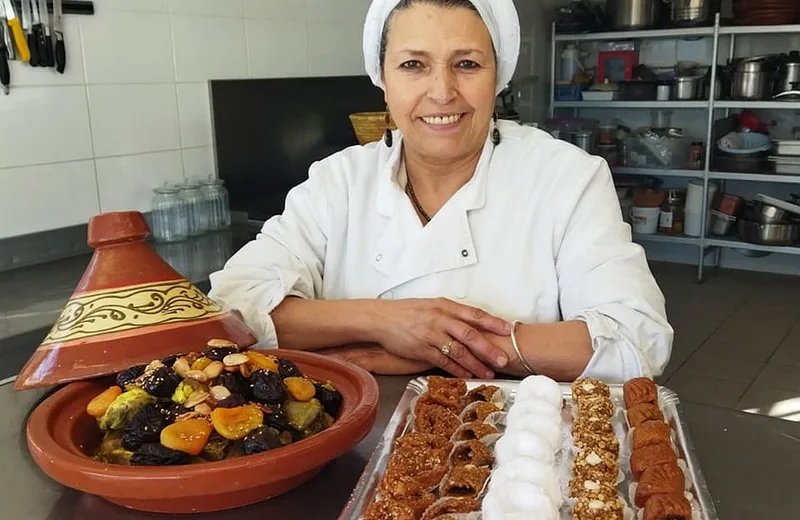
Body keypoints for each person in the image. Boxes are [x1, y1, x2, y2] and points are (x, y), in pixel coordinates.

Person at [208, 0, 673, 383]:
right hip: (355, 443)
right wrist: (386, 322)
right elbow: (229, 311)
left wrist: (437, 349)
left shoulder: (564, 178)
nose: (442, 91)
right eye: (413, 65)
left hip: (517, 447)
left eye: (467, 64)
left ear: (498, 78)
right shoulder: (340, 182)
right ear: (383, 81)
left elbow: (636, 340)